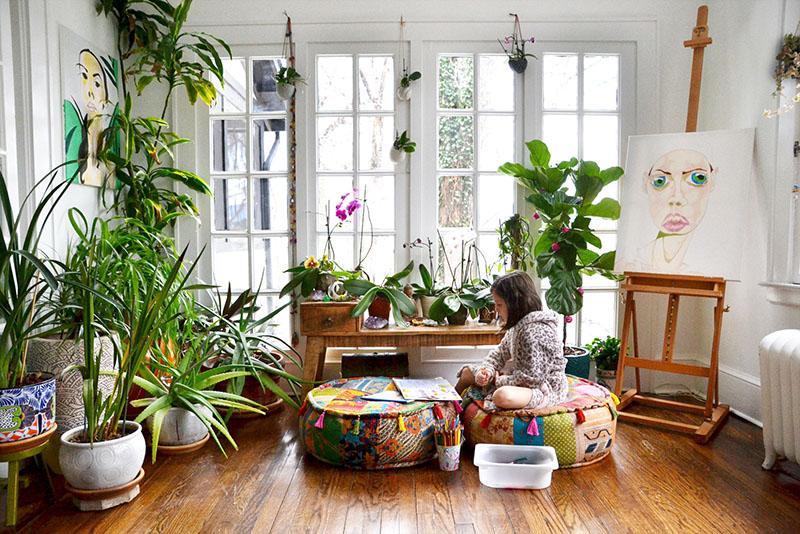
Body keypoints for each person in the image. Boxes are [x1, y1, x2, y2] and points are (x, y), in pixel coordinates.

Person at [455, 271, 567, 411]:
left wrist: (498, 380)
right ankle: (451, 408)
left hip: (542, 388)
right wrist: (487, 371)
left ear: (515, 303)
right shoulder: (517, 327)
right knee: (467, 372)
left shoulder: (535, 333)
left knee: (502, 396)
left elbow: (531, 380)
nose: (495, 309)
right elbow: (499, 353)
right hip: (520, 379)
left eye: (499, 304)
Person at [639, 148, 716, 272]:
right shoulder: (636, 259)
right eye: (660, 181)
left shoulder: (713, 260)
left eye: (698, 178)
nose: (677, 198)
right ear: (645, 183)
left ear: (713, 181)